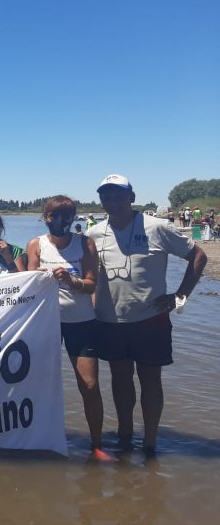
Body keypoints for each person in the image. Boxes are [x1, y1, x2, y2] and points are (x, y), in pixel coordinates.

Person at [89, 174, 206, 454]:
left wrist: (180, 296)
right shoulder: (93, 234)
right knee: (119, 379)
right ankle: (125, 435)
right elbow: (87, 275)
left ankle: (151, 442)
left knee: (151, 381)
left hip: (150, 319)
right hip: (110, 320)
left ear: (132, 197)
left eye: (119, 195)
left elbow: (199, 257)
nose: (112, 201)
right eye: (106, 196)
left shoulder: (158, 227)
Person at [26, 196, 111, 461]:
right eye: (53, 215)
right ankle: (35, 439)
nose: (59, 221)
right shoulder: (35, 244)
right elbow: (28, 286)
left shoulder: (84, 243)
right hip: (45, 323)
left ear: (73, 218)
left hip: (81, 321)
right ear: (45, 216)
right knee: (36, 384)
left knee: (89, 383)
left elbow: (91, 285)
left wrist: (71, 280)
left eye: (65, 215)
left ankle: (96, 445)